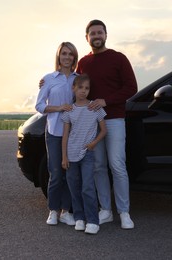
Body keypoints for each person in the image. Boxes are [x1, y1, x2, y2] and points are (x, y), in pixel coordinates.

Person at [76, 19, 138, 229]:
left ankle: (124, 212)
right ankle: (106, 210)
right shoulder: (83, 63)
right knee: (99, 166)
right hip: (92, 124)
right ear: (87, 38)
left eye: (99, 32)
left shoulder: (118, 58)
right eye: (92, 33)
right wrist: (46, 82)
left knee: (117, 165)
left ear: (106, 35)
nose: (96, 36)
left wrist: (106, 100)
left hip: (114, 120)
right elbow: (75, 86)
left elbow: (131, 87)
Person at [35, 42, 78, 226]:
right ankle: (53, 210)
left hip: (74, 133)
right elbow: (39, 106)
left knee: (70, 173)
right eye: (64, 54)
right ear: (58, 56)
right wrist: (59, 108)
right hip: (54, 132)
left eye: (70, 54)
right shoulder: (49, 79)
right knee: (55, 173)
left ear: (74, 58)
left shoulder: (79, 79)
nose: (67, 57)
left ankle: (66, 211)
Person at [61, 74, 107, 235]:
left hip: (87, 153)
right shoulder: (69, 111)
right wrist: (64, 157)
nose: (83, 91)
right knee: (74, 187)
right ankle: (79, 218)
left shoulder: (95, 108)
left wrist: (94, 143)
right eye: (80, 87)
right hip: (71, 155)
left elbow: (104, 130)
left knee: (87, 187)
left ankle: (93, 220)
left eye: (87, 88)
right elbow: (65, 136)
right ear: (73, 88)